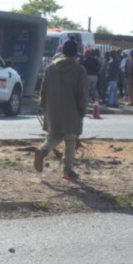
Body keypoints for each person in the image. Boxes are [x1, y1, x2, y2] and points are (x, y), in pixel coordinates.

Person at [35, 38, 89, 181]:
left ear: (62, 50)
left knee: (53, 137)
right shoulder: (79, 70)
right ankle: (67, 170)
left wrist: (43, 105)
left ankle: (43, 150)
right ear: (76, 52)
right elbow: (82, 94)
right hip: (72, 110)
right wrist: (83, 110)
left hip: (52, 108)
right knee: (70, 140)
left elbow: (43, 89)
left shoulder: (51, 67)